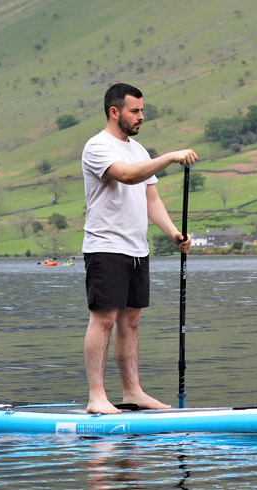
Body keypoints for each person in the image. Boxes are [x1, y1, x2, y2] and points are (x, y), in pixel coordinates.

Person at [81, 82, 198, 414]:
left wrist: (174, 233)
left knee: (130, 321)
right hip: (105, 245)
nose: (141, 116)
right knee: (103, 318)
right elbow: (127, 177)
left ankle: (132, 392)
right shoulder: (97, 147)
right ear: (114, 111)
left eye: (142, 110)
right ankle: (96, 397)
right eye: (135, 110)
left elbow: (151, 197)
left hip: (136, 248)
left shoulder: (139, 149)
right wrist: (170, 157)